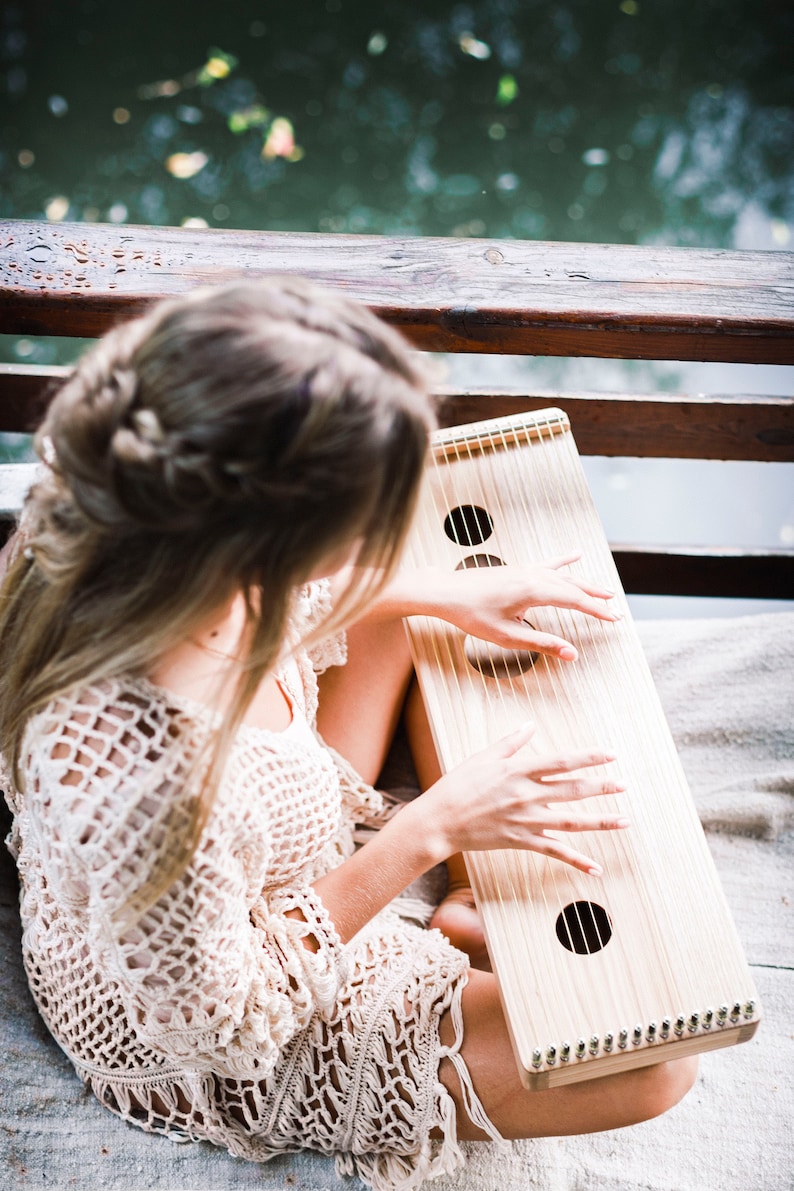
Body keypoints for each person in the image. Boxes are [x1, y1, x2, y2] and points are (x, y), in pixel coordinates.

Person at [0, 279, 696, 1191]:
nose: (380, 529)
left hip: (278, 822)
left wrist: (436, 591)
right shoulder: (142, 776)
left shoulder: (132, 532)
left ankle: (465, 909)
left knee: (422, 591)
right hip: (220, 1017)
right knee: (652, 1062)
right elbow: (228, 1023)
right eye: (357, 522)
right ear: (258, 554)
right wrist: (428, 830)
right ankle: (463, 916)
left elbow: (309, 602)